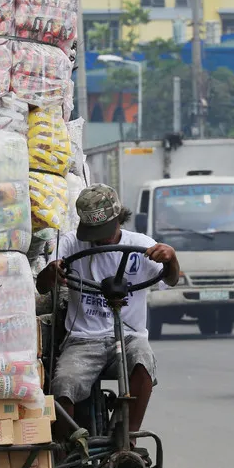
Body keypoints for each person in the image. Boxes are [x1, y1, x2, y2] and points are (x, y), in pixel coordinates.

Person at [37, 184, 180, 439]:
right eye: (94, 233)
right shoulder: (70, 244)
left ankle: (128, 436)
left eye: (104, 231)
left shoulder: (141, 245)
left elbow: (171, 280)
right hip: (83, 339)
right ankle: (69, 448)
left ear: (117, 218)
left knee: (143, 360)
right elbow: (42, 284)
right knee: (62, 385)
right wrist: (51, 272)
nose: (100, 239)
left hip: (128, 336)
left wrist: (171, 259)